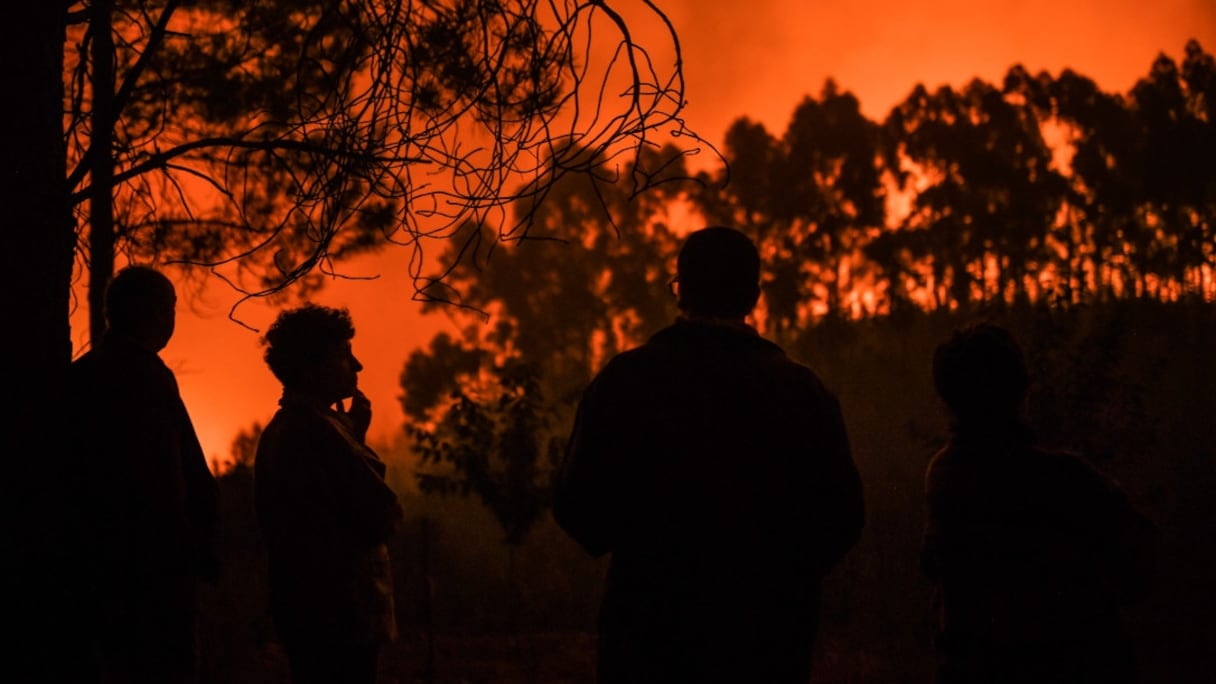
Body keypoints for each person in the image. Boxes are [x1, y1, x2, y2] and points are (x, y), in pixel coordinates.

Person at [553, 226, 865, 683]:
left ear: (681, 291)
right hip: (767, 641)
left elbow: (577, 505)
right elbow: (842, 517)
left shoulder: (626, 381)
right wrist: (782, 577)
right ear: (753, 296)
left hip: (648, 638)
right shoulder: (802, 391)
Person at [922, 323, 1157, 684]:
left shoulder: (944, 475)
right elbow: (1142, 558)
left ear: (948, 399)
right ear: (1021, 390)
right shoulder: (1064, 479)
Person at [68, 265, 219, 683]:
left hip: (95, 569)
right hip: (153, 571)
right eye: (170, 307)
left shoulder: (80, 375)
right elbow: (168, 474)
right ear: (153, 314)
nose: (172, 318)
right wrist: (194, 543)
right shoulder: (148, 377)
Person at [253, 304, 401, 684]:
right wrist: (353, 441)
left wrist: (352, 435)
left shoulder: (288, 428)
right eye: (344, 354)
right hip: (339, 614)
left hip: (306, 612)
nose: (358, 366)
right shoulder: (318, 432)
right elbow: (382, 513)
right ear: (311, 367)